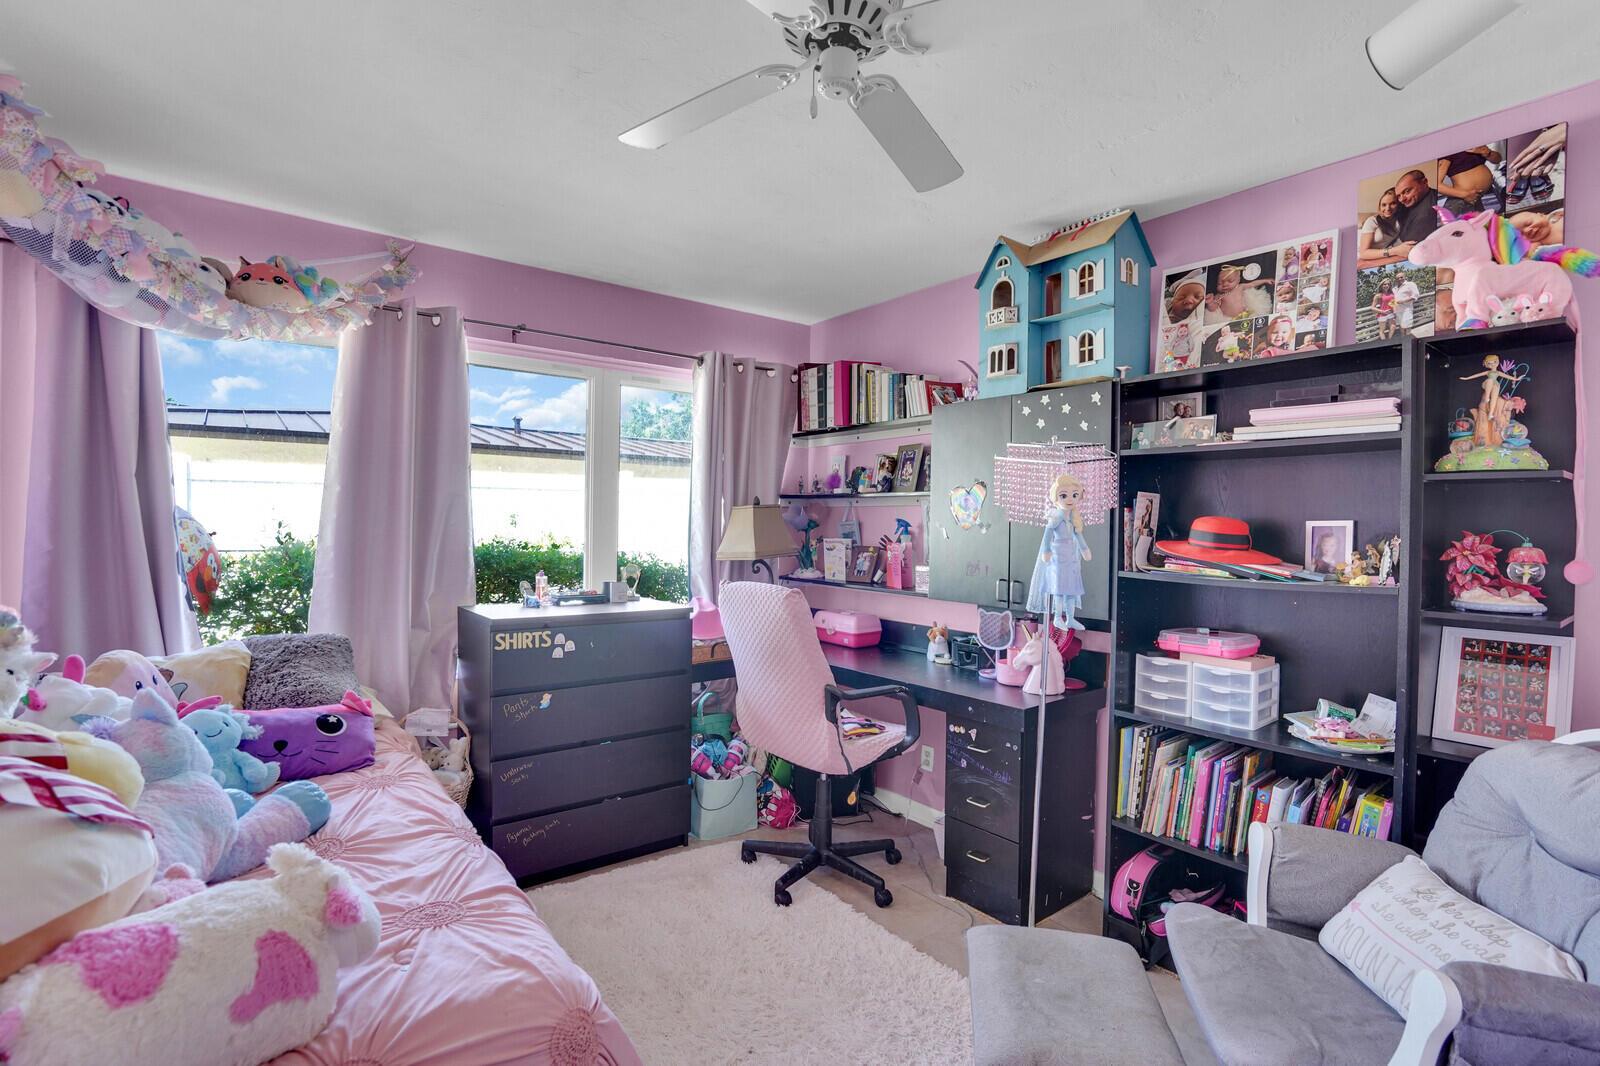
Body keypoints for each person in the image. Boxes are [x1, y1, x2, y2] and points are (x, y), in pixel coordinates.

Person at [1027, 472, 1091, 631]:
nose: (1070, 499)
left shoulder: (1073, 518)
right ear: (1056, 497)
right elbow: (1047, 534)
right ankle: (1057, 617)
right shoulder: (1056, 517)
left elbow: (1078, 535)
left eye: (1074, 495)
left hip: (1071, 555)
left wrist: (1084, 549)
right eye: (1064, 495)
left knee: (1071, 589)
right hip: (1058, 555)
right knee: (1060, 588)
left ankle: (1070, 618)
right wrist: (1046, 550)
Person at [1438, 146, 1505, 215]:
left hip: (1475, 198)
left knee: (1483, 221)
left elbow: (1498, 160)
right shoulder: (1449, 150)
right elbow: (1437, 185)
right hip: (1461, 200)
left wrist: (1488, 153)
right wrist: (1465, 195)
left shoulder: (1474, 145)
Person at [1203, 264, 1272, 323]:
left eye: (1230, 281)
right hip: (1230, 319)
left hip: (1246, 314)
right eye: (1219, 283)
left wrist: (1265, 280)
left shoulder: (1240, 287)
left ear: (1238, 280)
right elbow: (1213, 309)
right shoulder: (1219, 295)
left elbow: (1252, 284)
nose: (1225, 285)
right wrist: (1210, 302)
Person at [1358, 187, 1409, 261]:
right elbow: (1363, 253)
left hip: (1384, 255)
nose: (1388, 208)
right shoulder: (1372, 221)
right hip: (1368, 256)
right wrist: (1395, 251)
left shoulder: (1400, 221)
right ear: (1379, 207)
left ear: (1399, 204)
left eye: (1393, 203)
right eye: (1384, 205)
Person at [1394, 169, 1440, 244]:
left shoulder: (1427, 211)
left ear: (1424, 182)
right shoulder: (1411, 203)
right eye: (1399, 196)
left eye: (1407, 191)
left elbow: (1411, 246)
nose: (1402, 199)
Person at [1392, 271, 1422, 335]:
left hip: (1406, 310)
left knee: (1407, 326)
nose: (1399, 279)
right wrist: (1392, 309)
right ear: (1396, 279)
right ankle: (1403, 338)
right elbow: (1393, 299)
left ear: (1405, 277)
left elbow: (1415, 295)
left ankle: (1408, 338)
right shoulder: (1394, 288)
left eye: (1401, 277)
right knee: (1401, 326)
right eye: (1397, 278)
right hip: (1397, 311)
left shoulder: (1410, 284)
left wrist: (1403, 301)